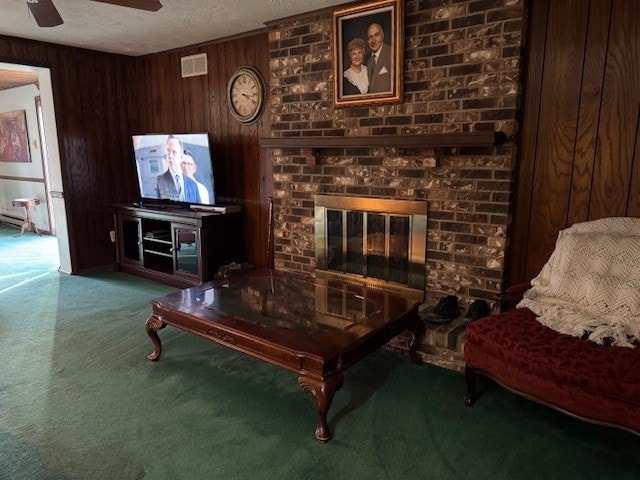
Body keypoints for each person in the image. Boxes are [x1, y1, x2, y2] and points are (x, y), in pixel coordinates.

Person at [156, 135, 200, 203]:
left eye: (174, 152)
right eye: (168, 151)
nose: (170, 156)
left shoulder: (193, 184)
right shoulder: (160, 180)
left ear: (181, 156)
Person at [365, 22, 392, 94]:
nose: (373, 41)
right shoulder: (367, 59)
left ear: (382, 36)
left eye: (376, 35)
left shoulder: (392, 54)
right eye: (370, 37)